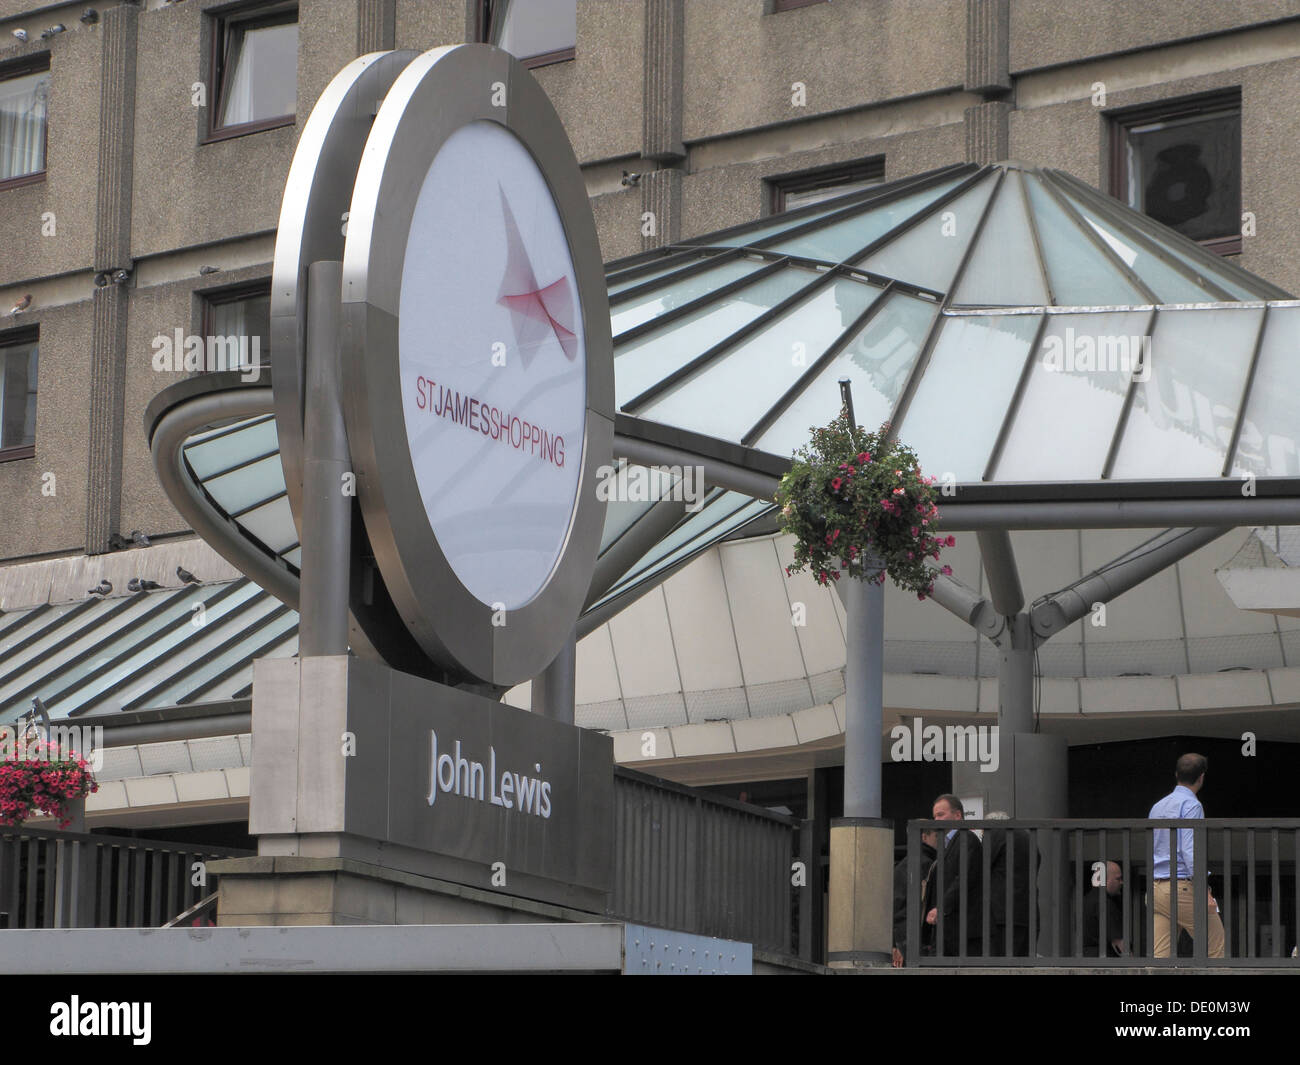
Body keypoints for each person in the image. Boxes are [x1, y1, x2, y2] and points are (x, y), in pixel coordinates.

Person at [1148, 753, 1225, 959]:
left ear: (1176, 775)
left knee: (1160, 956)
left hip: (1157, 887)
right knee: (1214, 946)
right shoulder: (1192, 805)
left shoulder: (1158, 806)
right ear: (1201, 777)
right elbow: (1190, 850)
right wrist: (1204, 889)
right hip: (1182, 886)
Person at [921, 794, 983, 958]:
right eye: (934, 816)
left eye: (941, 815)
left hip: (964, 930)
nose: (936, 820)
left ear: (957, 815)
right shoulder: (948, 844)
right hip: (951, 929)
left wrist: (941, 907)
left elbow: (963, 878)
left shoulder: (966, 838)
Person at [984, 811, 1036, 958]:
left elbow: (981, 865)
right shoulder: (1027, 837)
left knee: (998, 965)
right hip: (1027, 914)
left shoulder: (997, 833)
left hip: (1001, 914)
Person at [892, 828, 938, 967]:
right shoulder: (926, 863)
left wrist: (895, 942)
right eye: (936, 835)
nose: (941, 839)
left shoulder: (905, 863)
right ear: (924, 837)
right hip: (917, 935)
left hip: (904, 933)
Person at [1081, 860, 1126, 957]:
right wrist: (1133, 965)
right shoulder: (1105, 903)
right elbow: (1118, 943)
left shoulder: (1086, 900)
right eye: (1118, 879)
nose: (1122, 882)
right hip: (1105, 963)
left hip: (1086, 959)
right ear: (1104, 880)